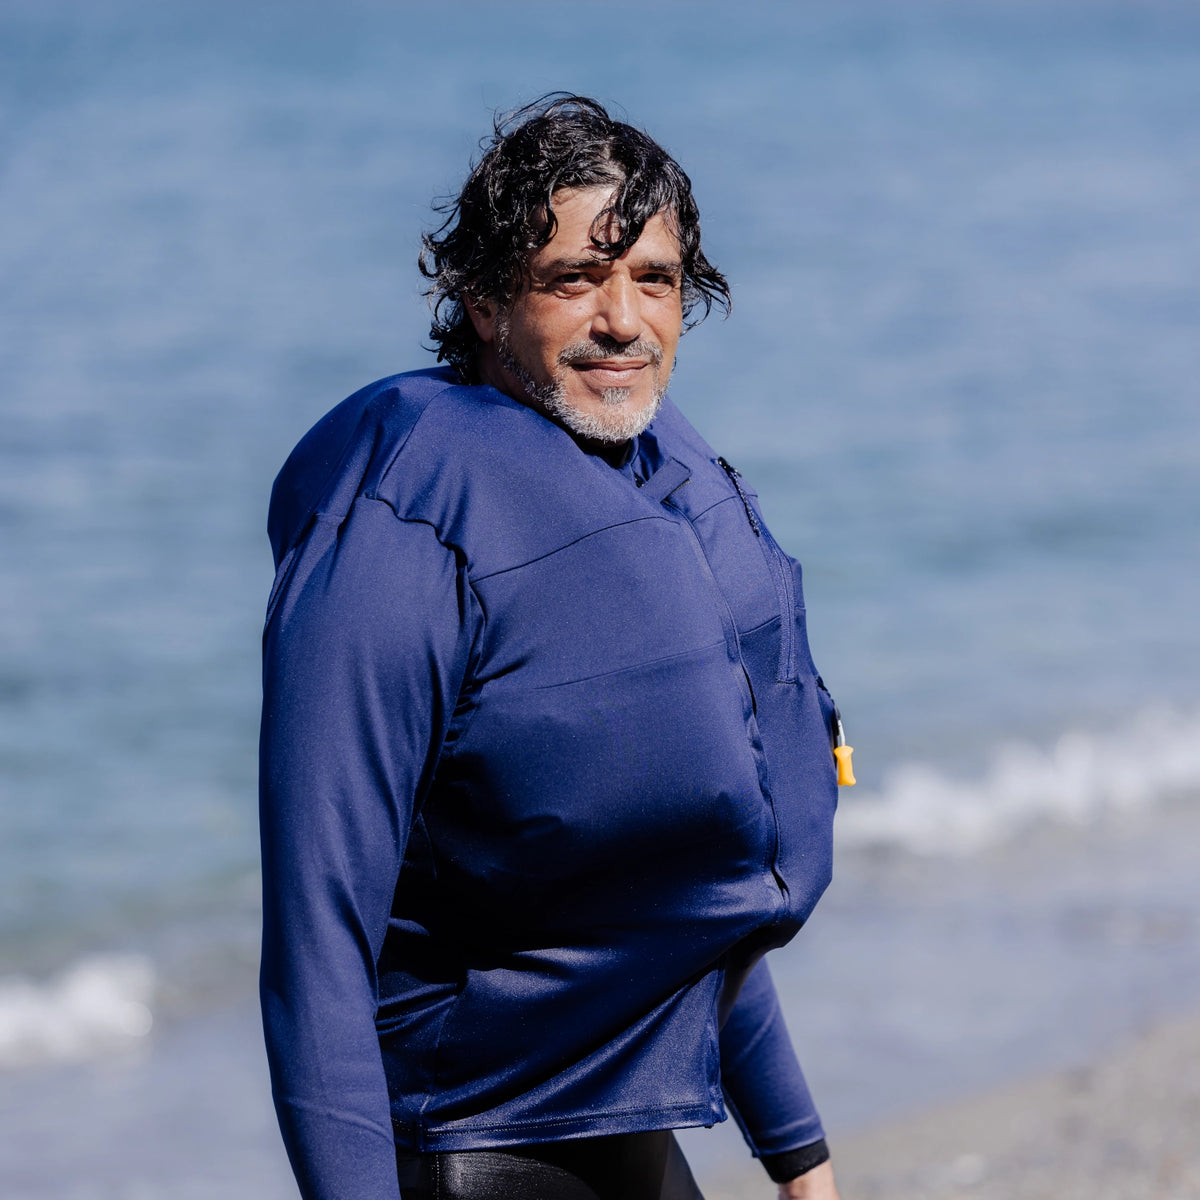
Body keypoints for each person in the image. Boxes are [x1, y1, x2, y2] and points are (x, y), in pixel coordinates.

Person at [259, 94, 850, 1200]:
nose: (623, 320)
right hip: (465, 1148)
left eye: (655, 280)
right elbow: (317, 945)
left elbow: (681, 880)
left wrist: (799, 1155)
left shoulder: (653, 475)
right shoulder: (402, 532)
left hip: (633, 1131)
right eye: (574, 278)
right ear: (485, 301)